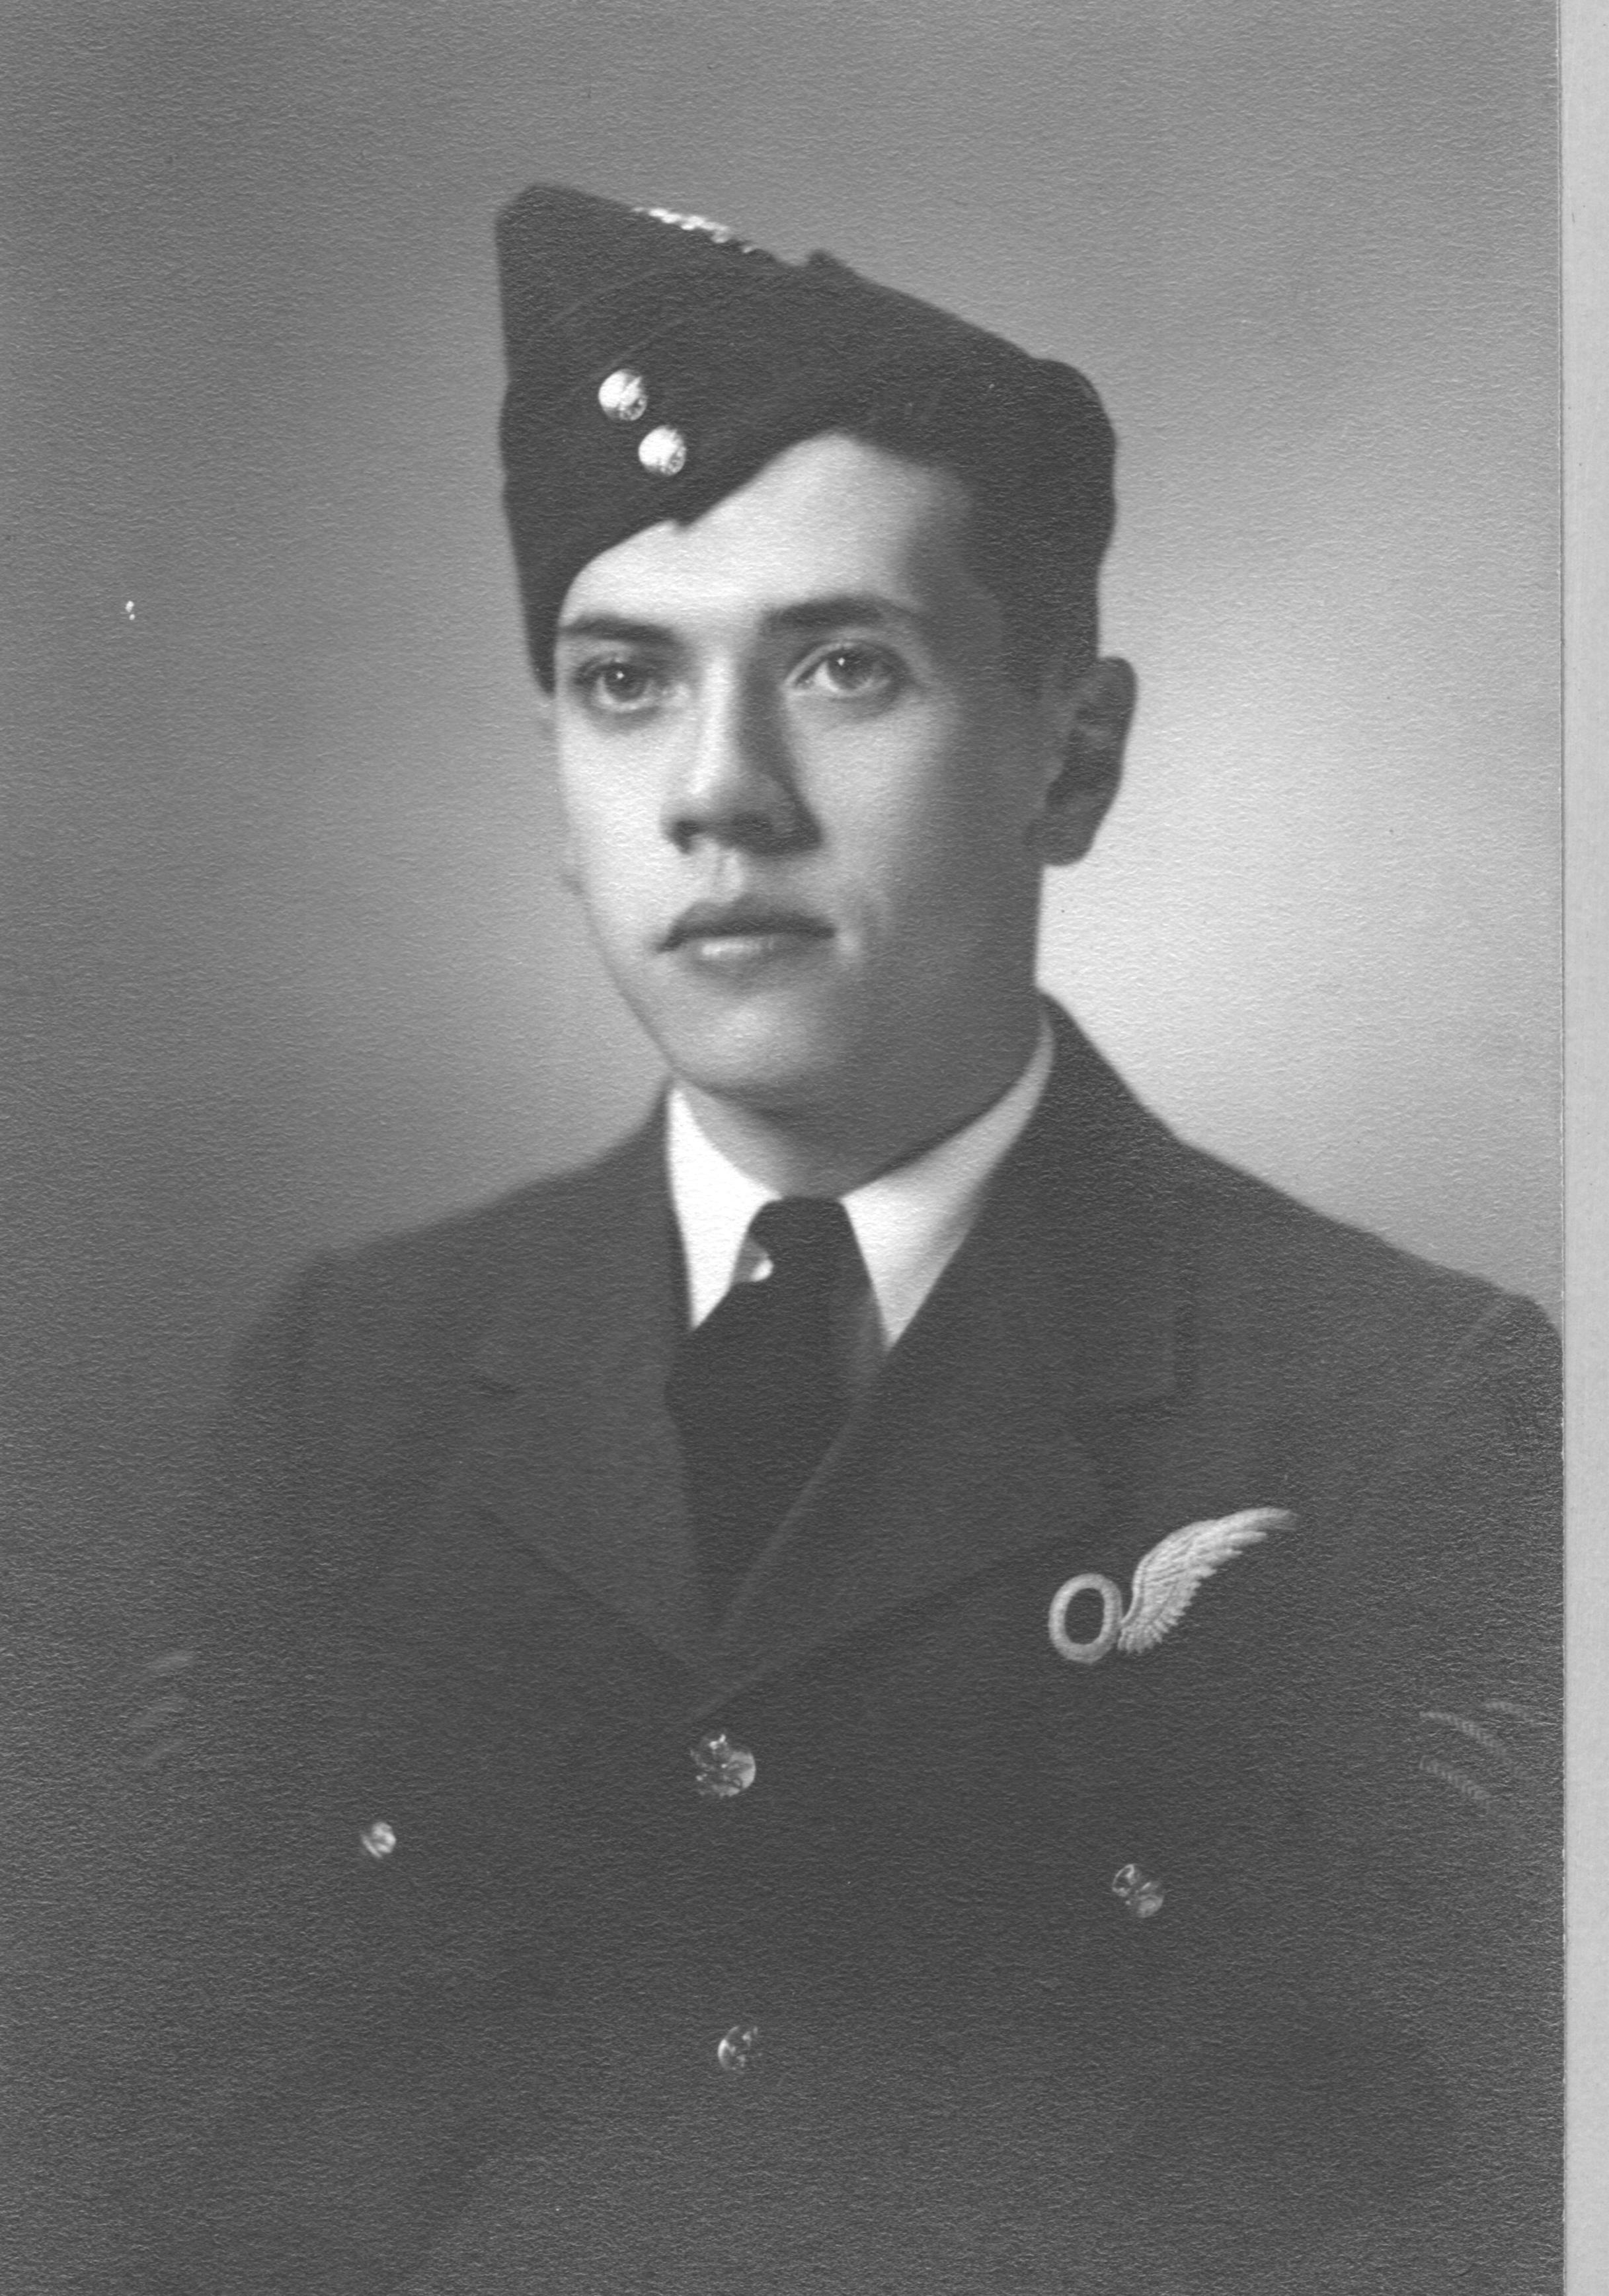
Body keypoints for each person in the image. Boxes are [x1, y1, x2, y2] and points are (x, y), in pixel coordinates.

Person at [118, 184, 1559, 2293]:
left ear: (1073, 753)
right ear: (556, 775)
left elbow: (1455, 2202)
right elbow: (165, 2146)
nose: (720, 792)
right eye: (625, 680)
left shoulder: (1404, 1412)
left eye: (843, 666)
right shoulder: (350, 1383)